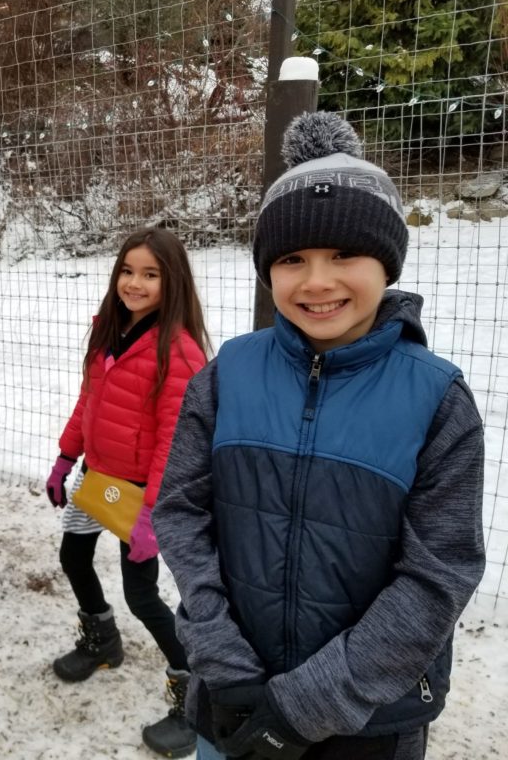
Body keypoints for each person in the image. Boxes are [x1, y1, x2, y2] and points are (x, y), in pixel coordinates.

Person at [152, 112, 486, 760]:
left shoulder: (437, 401)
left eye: (344, 255)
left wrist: (306, 705)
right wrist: (223, 659)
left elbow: (437, 576)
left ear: (386, 261)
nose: (317, 281)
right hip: (230, 698)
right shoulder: (227, 377)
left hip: (365, 725)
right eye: (292, 258)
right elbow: (181, 512)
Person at [45, 226, 210, 757]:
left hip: (140, 493)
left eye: (150, 274)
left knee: (142, 594)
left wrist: (151, 517)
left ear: (172, 281)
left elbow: (173, 442)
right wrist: (66, 456)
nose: (134, 283)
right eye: (127, 271)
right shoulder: (107, 331)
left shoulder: (178, 352)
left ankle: (194, 692)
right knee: (73, 556)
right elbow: (87, 403)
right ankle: (101, 640)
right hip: (96, 479)